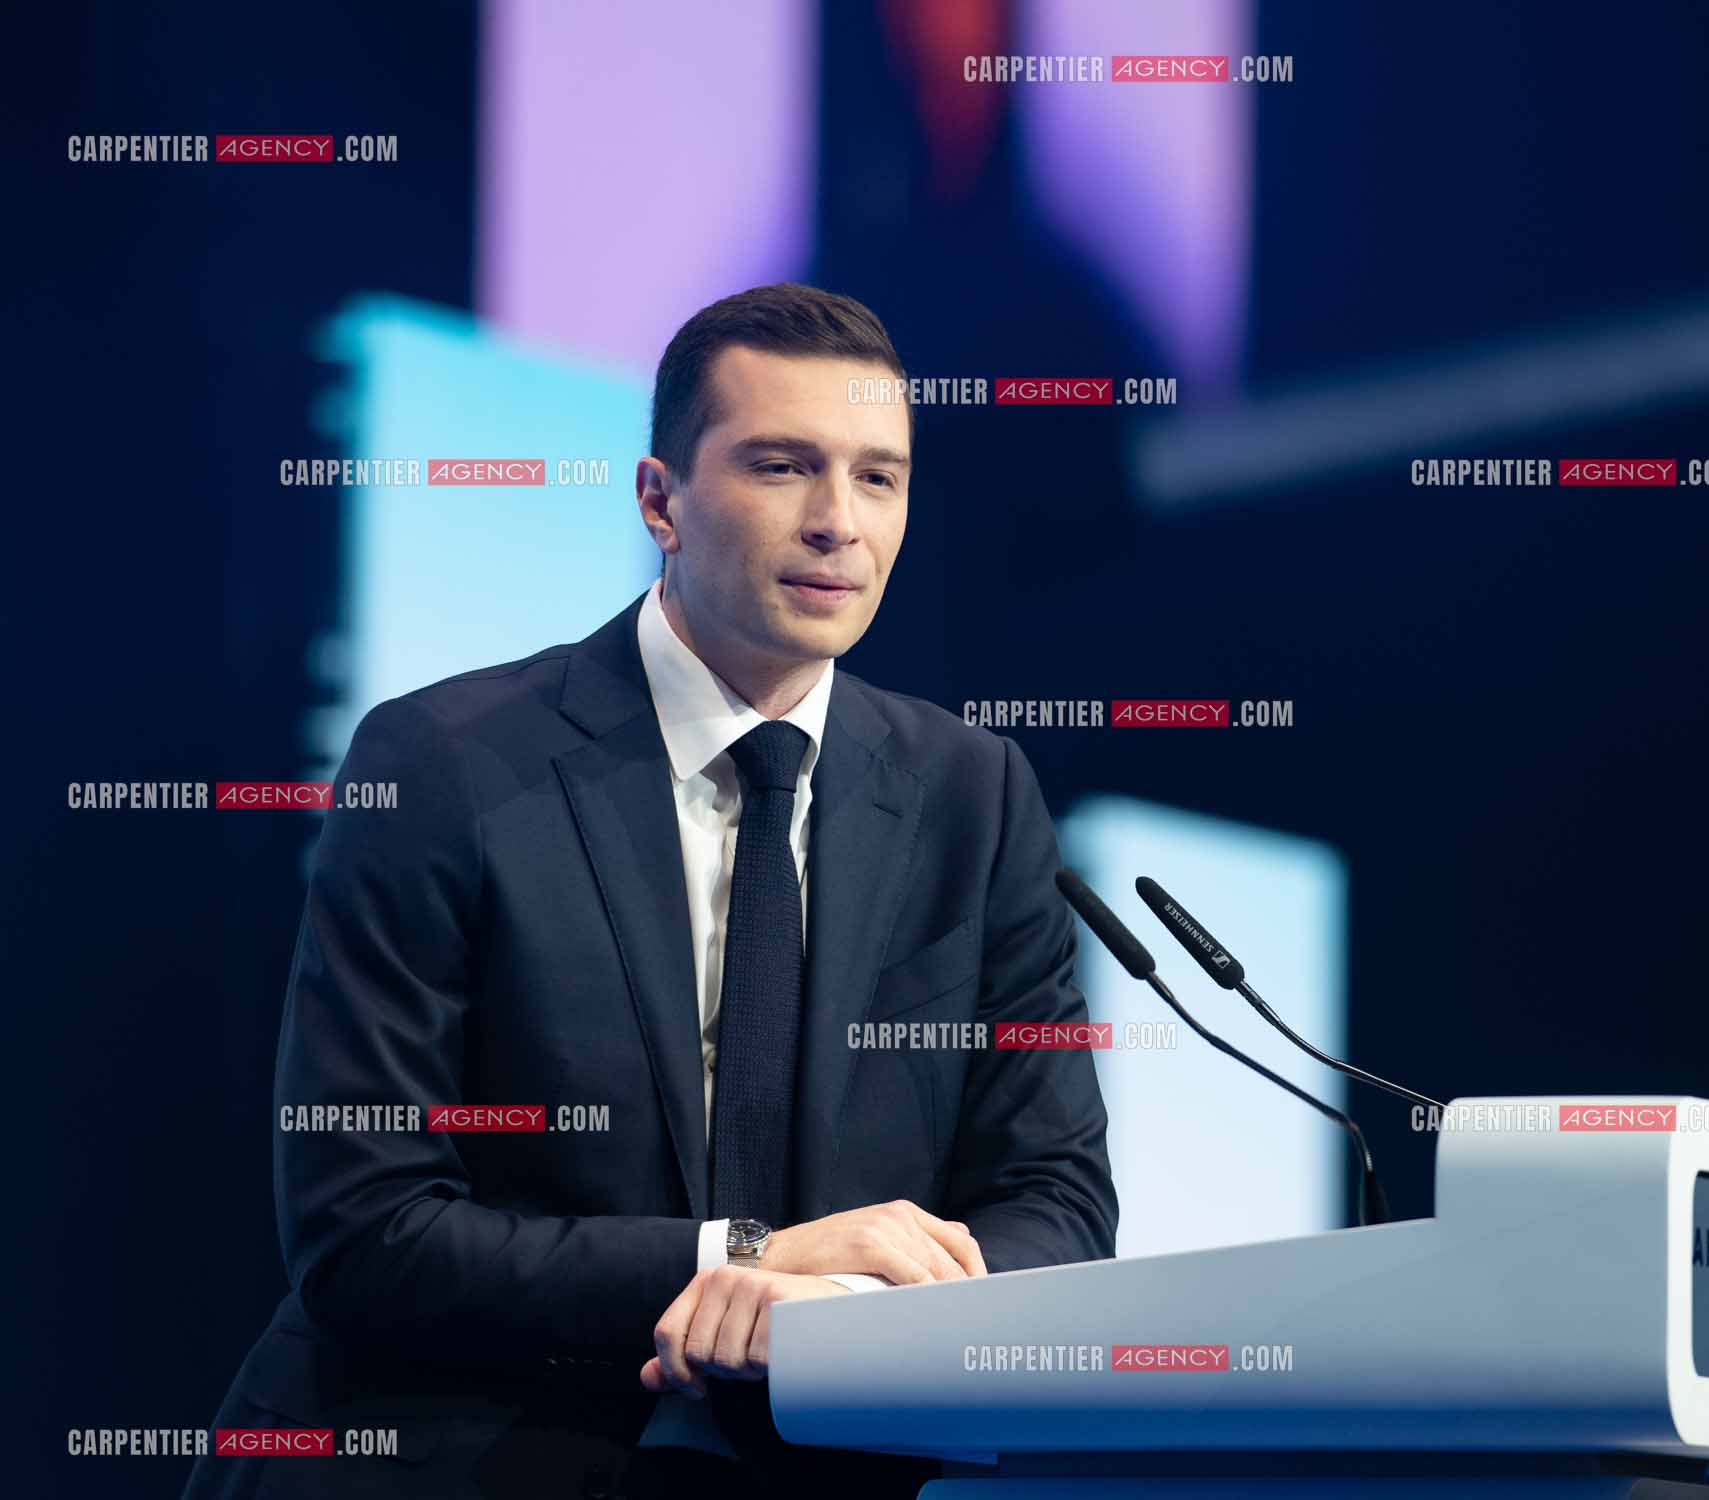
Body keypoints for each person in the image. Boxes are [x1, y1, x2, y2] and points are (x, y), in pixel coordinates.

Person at [187, 283, 1117, 1499]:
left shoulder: (973, 795)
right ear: (657, 500)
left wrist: (833, 1304)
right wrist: (745, 1257)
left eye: (878, 478)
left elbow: (1054, 1198)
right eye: (783, 467)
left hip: (819, 1468)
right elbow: (368, 1233)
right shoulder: (447, 765)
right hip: (455, 1455)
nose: (839, 522)